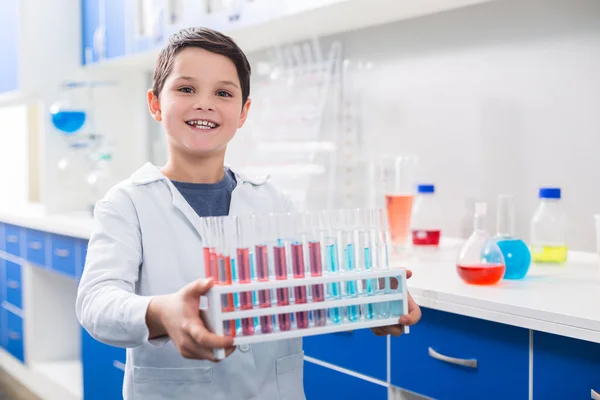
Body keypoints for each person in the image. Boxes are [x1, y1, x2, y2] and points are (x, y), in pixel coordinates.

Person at [75, 27, 422, 400]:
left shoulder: (273, 201)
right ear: (155, 103)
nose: (205, 103)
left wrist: (372, 296)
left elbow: (317, 283)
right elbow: (96, 301)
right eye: (186, 89)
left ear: (243, 113)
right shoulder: (127, 203)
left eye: (223, 93)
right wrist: (162, 312)